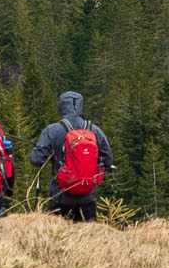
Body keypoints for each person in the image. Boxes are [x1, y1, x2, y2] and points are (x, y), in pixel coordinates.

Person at [28, 90, 111, 222]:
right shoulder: (94, 130)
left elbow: (36, 159)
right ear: (81, 106)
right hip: (88, 196)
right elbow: (108, 160)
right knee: (89, 238)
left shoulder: (52, 130)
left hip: (60, 195)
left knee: (58, 237)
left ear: (61, 106)